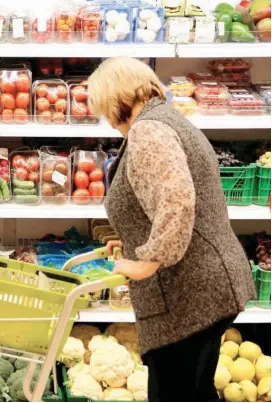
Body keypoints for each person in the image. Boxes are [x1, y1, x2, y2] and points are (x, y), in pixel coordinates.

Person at [87, 57, 255, 402]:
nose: (107, 119)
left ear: (117, 97)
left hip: (189, 292)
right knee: (195, 391)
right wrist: (135, 237)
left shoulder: (149, 130)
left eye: (104, 108)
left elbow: (177, 199)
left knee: (175, 393)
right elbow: (164, 195)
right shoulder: (166, 120)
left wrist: (146, 261)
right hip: (205, 287)